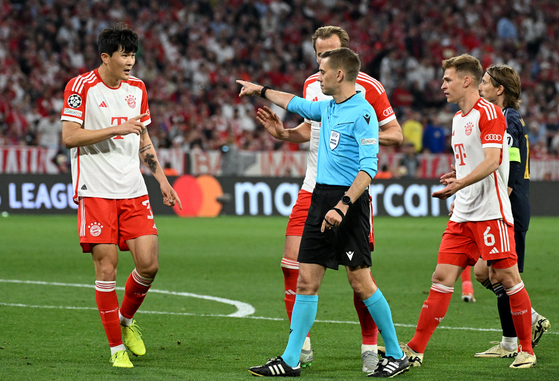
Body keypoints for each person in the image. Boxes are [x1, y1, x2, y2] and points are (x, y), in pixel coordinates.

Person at [238, 47, 410, 378]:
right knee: (306, 281)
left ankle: (396, 353)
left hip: (349, 202)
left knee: (360, 281)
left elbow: (369, 168)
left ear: (340, 74)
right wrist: (260, 91)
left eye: (322, 70)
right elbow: (295, 104)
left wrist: (343, 205)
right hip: (320, 198)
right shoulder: (329, 107)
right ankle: (290, 359)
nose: (317, 76)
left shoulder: (363, 114)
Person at [383, 54, 536, 369]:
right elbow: (477, 160)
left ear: (467, 80)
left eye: (447, 80)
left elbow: (495, 160)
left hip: (492, 211)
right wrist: (459, 177)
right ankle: (415, 348)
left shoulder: (491, 113)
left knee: (508, 277)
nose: (442, 86)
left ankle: (525, 349)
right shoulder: (456, 119)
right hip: (463, 214)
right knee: (441, 277)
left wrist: (461, 182)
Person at [61, 23, 182, 368]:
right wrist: (116, 128)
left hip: (132, 188)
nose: (130, 61)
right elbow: (69, 137)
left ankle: (126, 321)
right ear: (105, 57)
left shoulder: (138, 88)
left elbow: (143, 138)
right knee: (107, 268)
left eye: (132, 55)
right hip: (95, 191)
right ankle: (116, 347)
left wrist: (162, 179)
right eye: (124, 55)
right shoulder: (80, 87)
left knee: (149, 263)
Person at [473, 64, 550, 358]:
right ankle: (528, 321)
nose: (480, 86)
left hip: (511, 208)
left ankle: (512, 343)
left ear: (499, 89)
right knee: (484, 272)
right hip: (508, 205)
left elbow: (513, 167)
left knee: (503, 276)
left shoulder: (509, 119)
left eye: (485, 82)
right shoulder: (502, 117)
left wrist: (500, 203)